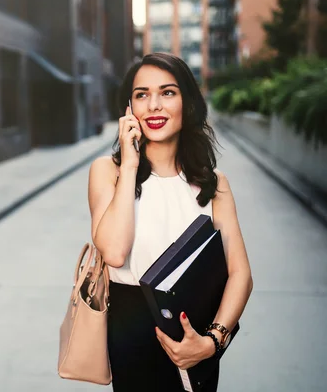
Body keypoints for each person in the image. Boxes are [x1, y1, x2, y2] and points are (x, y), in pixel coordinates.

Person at [87, 52, 253, 391]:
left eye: (167, 92)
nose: (154, 106)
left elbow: (241, 274)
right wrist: (130, 164)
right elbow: (115, 254)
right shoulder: (108, 172)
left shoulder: (213, 183)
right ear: (129, 109)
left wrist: (212, 341)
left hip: (196, 334)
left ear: (187, 103)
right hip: (131, 333)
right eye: (142, 95)